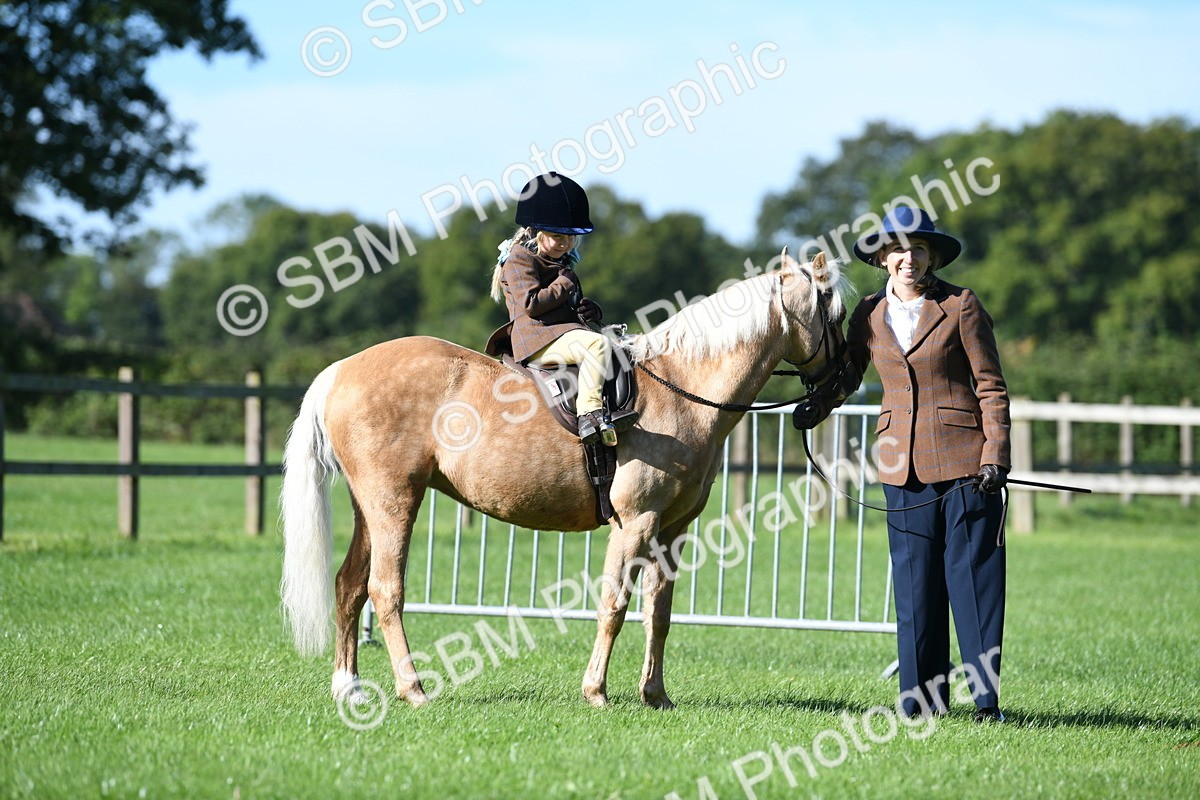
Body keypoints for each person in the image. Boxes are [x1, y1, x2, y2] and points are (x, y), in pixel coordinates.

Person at [844, 206, 1011, 722]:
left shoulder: (961, 306)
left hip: (966, 465)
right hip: (901, 467)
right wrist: (811, 406)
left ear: (932, 255)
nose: (907, 259)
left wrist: (995, 455)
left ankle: (986, 704)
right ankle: (920, 702)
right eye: (896, 249)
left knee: (973, 586)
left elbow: (991, 386)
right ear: (881, 257)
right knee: (915, 589)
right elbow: (845, 376)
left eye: (918, 248)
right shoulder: (868, 314)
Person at [485, 172, 637, 445]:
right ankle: (589, 415)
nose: (566, 244)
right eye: (557, 236)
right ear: (535, 232)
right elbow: (531, 304)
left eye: (571, 238)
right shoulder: (519, 259)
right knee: (598, 346)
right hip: (535, 340)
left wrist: (588, 310)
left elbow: (561, 306)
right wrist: (565, 284)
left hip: (556, 335)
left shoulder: (559, 259)